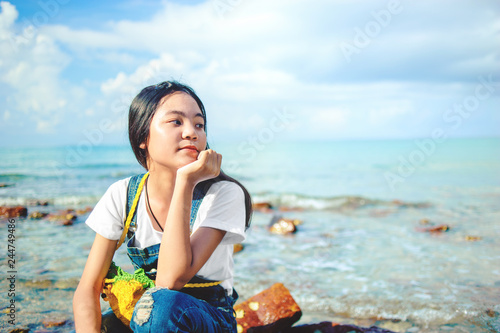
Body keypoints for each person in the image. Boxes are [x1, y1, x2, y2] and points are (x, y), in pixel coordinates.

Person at [73, 81, 252, 333]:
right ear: (142, 135)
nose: (192, 132)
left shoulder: (223, 193)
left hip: (209, 319)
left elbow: (170, 280)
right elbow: (88, 288)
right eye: (176, 122)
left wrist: (186, 181)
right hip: (152, 315)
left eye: (199, 124)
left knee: (161, 306)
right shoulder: (123, 194)